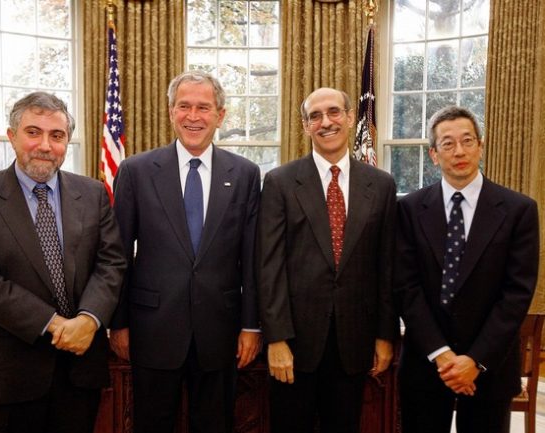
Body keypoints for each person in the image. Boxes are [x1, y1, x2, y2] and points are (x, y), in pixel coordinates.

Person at [0, 92, 126, 433]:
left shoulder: (92, 194)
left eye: (57, 136)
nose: (45, 145)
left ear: (66, 141)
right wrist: (56, 324)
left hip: (78, 372)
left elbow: (112, 263)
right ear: (12, 136)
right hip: (6, 374)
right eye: (34, 132)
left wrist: (89, 319)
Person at [109, 70, 262, 433]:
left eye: (203, 107)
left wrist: (251, 324)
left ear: (220, 115)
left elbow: (252, 257)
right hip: (152, 328)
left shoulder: (245, 174)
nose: (193, 116)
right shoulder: (136, 171)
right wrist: (119, 322)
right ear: (170, 111)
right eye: (184, 106)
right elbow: (117, 254)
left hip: (220, 331)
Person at [256, 87, 398, 433]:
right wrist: (276, 339)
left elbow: (387, 265)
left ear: (351, 118)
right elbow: (268, 265)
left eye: (334, 112)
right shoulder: (281, 181)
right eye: (315, 116)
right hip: (294, 344)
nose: (326, 122)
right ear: (305, 126)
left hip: (354, 342)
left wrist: (384, 335)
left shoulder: (380, 184)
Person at [395, 105, 540, 433]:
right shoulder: (409, 209)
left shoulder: (519, 210)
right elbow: (405, 286)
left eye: (467, 140)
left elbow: (516, 295)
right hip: (426, 364)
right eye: (447, 144)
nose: (459, 151)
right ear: (434, 154)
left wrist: (474, 360)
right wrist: (442, 354)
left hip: (490, 367)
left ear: (481, 145)